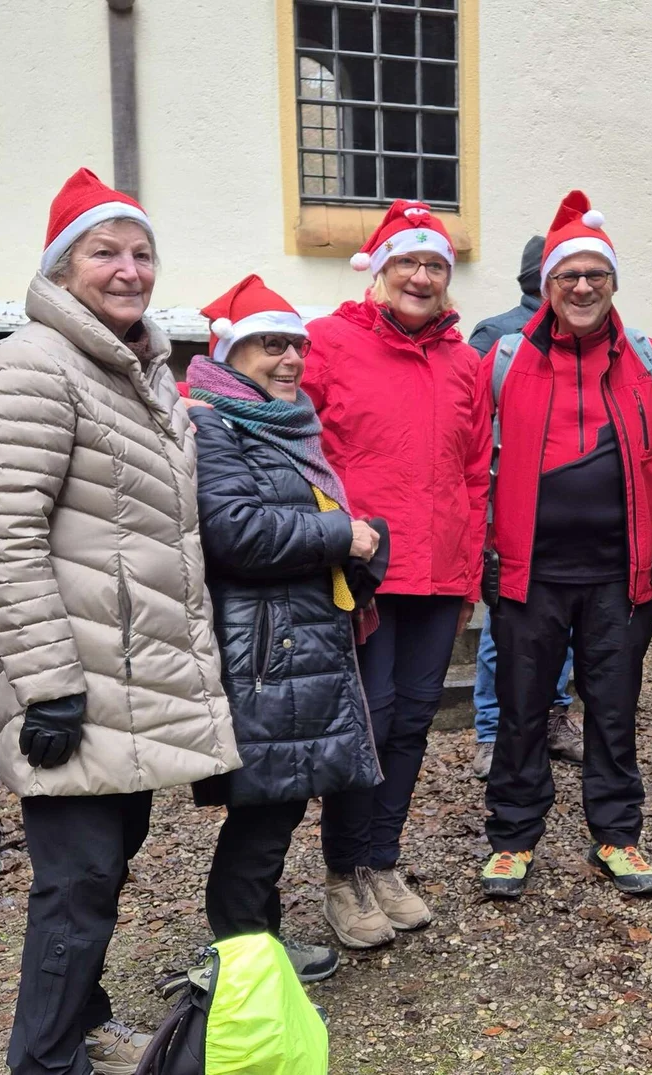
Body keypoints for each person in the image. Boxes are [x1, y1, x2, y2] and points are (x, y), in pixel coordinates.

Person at [0, 168, 240, 1075]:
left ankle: (81, 1018)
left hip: (129, 670)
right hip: (74, 675)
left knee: (107, 861)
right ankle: (44, 1060)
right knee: (77, 882)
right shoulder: (31, 368)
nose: (128, 270)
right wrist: (47, 685)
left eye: (141, 252)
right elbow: (5, 539)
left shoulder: (137, 370)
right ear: (61, 266)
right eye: (104, 251)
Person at [477, 191, 652, 900]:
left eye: (594, 275)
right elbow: (471, 460)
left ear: (612, 283)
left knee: (613, 708)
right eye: (567, 275)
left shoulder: (648, 358)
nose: (581, 286)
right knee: (521, 710)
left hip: (619, 575)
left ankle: (617, 833)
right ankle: (512, 837)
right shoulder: (505, 360)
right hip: (527, 574)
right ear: (547, 286)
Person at [187, 275, 386, 986]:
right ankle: (241, 955)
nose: (291, 359)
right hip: (263, 648)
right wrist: (341, 534)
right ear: (233, 351)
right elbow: (232, 531)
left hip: (296, 638)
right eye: (271, 344)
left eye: (296, 344)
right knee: (267, 802)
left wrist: (362, 544)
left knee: (279, 799)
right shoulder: (212, 422)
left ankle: (252, 944)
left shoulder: (283, 420)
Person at [305, 199, 490, 949]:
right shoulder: (325, 343)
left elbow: (476, 469)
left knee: (413, 718)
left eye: (434, 265)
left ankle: (383, 860)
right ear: (378, 272)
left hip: (440, 571)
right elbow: (301, 449)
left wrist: (470, 563)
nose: (421, 276)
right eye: (407, 262)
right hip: (365, 572)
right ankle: (342, 872)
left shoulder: (464, 362)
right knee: (369, 721)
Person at [468, 234, 583, 781]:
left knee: (562, 628)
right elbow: (471, 428)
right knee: (502, 631)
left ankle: (555, 717)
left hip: (569, 518)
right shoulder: (497, 336)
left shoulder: (592, 337)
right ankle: (491, 731)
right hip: (510, 513)